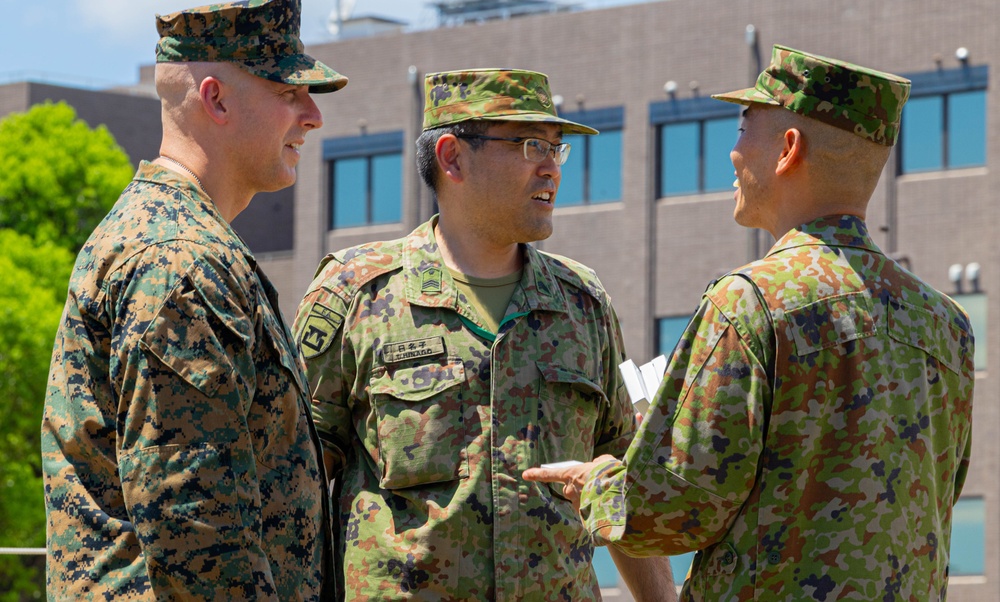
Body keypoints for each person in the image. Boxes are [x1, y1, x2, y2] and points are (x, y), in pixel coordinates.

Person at [525, 45, 975, 600]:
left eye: (743, 128)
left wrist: (593, 483)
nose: (733, 152)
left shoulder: (752, 301)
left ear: (788, 150)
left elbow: (670, 512)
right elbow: (941, 493)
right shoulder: (946, 324)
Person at [293, 68, 675, 600]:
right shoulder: (356, 294)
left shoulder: (582, 303)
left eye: (557, 149)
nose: (552, 169)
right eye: (529, 145)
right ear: (452, 157)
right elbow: (294, 487)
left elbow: (615, 479)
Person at [40, 1, 347, 599]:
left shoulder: (178, 239)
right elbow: (198, 534)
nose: (312, 115)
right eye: (289, 90)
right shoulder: (182, 258)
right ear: (217, 99)